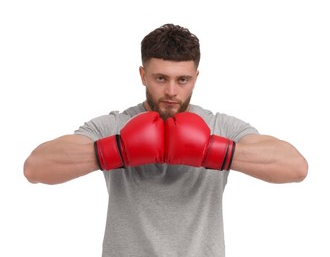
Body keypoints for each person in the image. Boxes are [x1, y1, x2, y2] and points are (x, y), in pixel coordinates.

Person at [24, 23, 308, 257]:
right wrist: (118, 149)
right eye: (160, 78)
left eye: (182, 80)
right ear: (143, 75)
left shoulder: (219, 126)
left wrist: (213, 151)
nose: (171, 91)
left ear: (196, 77)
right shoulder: (115, 125)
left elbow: (296, 168)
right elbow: (35, 168)